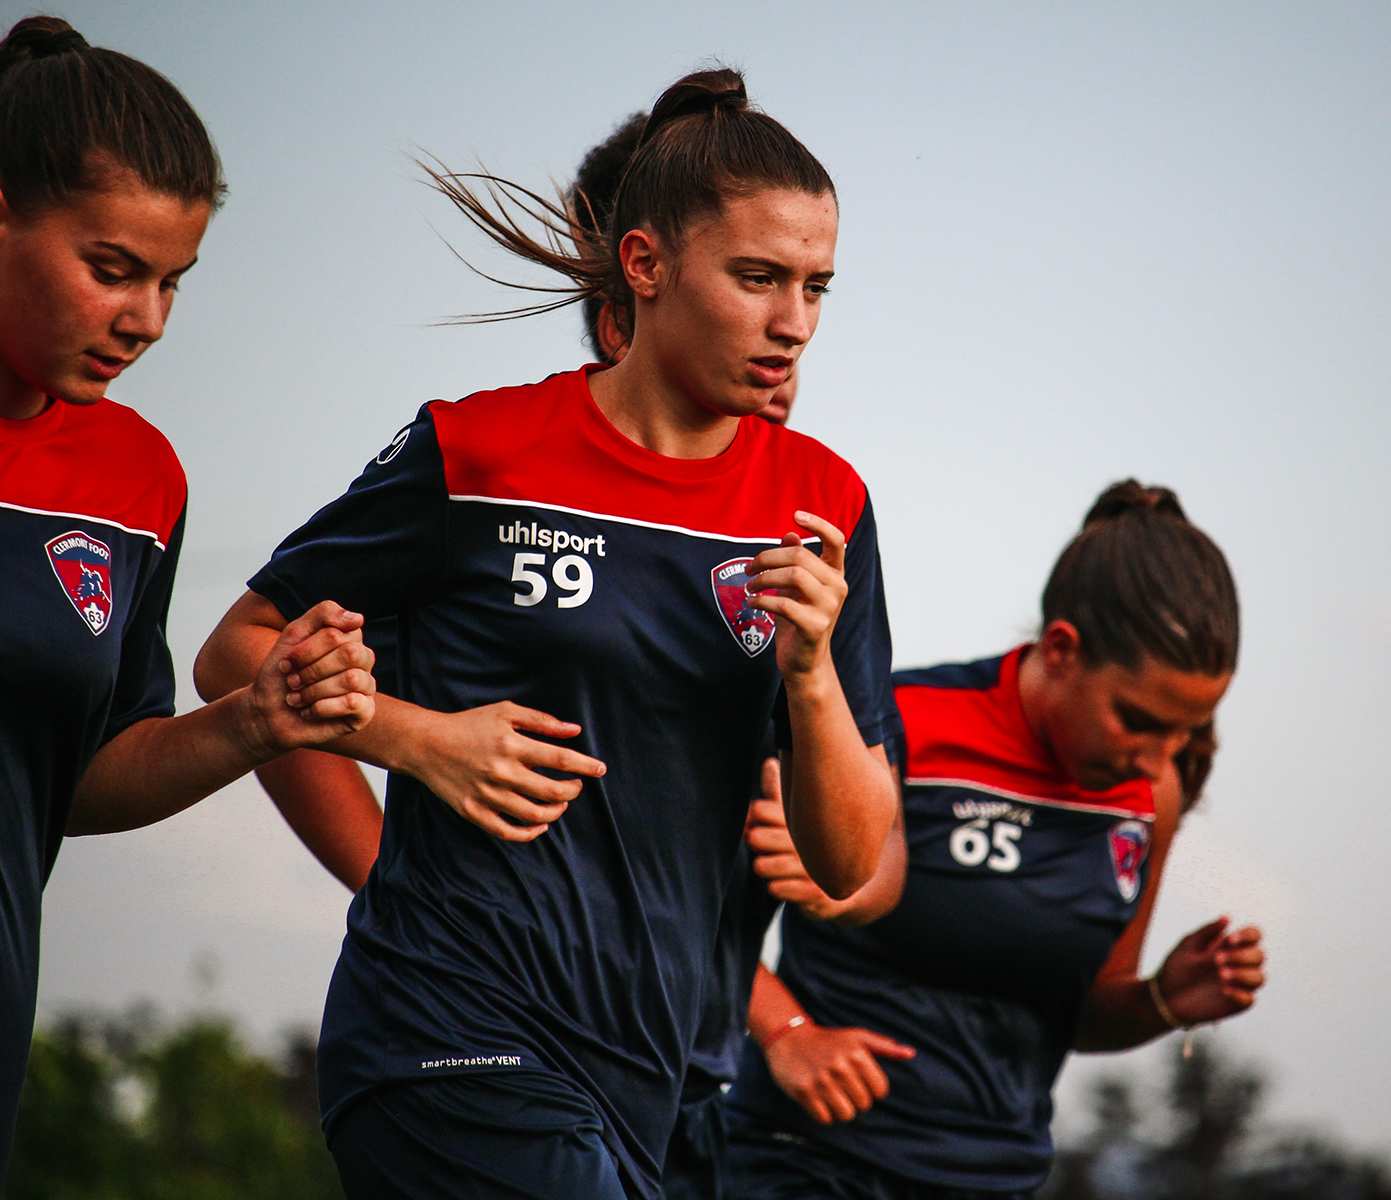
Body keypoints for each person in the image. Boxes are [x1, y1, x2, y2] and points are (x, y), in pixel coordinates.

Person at [195, 69, 901, 1200]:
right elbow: (237, 649)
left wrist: (811, 682)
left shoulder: (827, 504)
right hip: (442, 1032)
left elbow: (854, 860)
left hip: (643, 1076)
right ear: (645, 264)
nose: (794, 323)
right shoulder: (474, 452)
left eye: (817, 286)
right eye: (758, 278)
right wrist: (413, 738)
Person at [0, 15, 378, 1185]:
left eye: (173, 281)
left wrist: (252, 720)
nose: (148, 319)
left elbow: (76, 779)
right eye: (111, 269)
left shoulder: (136, 479)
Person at [726, 481, 1268, 1199]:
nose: (1159, 757)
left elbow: (1082, 1012)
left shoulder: (1151, 798)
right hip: (805, 1161)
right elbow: (692, 918)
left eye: (1186, 731)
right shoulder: (894, 723)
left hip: (996, 1177)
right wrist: (786, 1031)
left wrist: (1161, 1000)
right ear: (1063, 649)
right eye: (1138, 720)